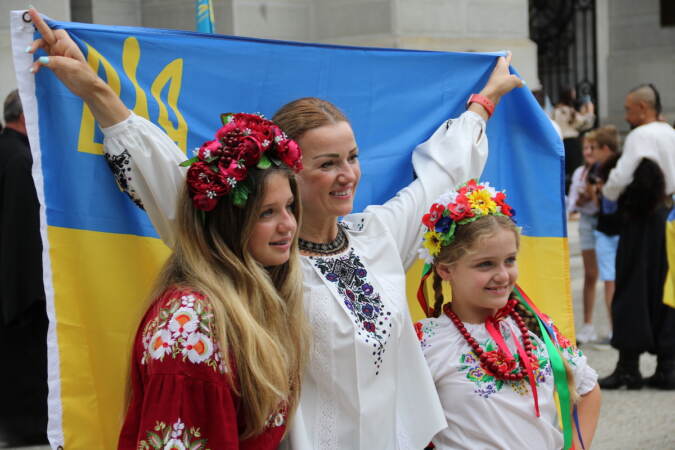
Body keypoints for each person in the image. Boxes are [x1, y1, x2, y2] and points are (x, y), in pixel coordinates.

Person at [27, 8, 523, 448]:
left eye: (352, 157)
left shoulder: (377, 235)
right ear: (288, 173)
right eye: (327, 163)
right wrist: (94, 89)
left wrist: (485, 100)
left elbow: (441, 176)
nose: (347, 174)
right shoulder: (258, 254)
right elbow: (168, 179)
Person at [116, 112, 310, 448]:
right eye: (267, 212)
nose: (288, 225)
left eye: (289, 207)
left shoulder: (253, 300)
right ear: (227, 223)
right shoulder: (191, 323)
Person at [415, 180, 601, 450]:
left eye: (510, 260)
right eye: (485, 264)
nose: (502, 275)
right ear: (445, 270)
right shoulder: (425, 342)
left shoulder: (535, 328)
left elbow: (587, 389)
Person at [599, 83, 675, 390]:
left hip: (643, 220)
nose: (627, 115)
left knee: (632, 286)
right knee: (665, 289)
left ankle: (628, 368)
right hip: (669, 219)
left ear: (643, 108)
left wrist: (606, 193)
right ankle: (668, 366)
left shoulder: (641, 135)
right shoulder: (671, 133)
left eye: (629, 109)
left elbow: (621, 177)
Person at [0, 89, 49, 446]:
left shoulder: (7, 150)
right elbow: (22, 232)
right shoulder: (20, 160)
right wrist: (36, 292)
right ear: (23, 117)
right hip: (20, 289)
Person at [587, 125, 621, 345]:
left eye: (595, 148)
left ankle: (619, 327)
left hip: (622, 230)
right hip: (604, 230)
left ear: (606, 149)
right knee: (609, 280)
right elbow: (599, 204)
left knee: (622, 281)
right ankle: (613, 327)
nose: (591, 152)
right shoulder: (596, 170)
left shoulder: (621, 167)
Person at [566, 132, 599, 344]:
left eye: (592, 148)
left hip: (606, 227)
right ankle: (588, 325)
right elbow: (572, 206)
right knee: (590, 274)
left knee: (611, 277)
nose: (588, 152)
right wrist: (581, 198)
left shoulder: (607, 170)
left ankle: (614, 327)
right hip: (587, 222)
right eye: (585, 148)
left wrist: (593, 194)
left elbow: (601, 204)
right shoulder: (579, 172)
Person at [552, 86, 595, 192]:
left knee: (562, 169)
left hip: (560, 142)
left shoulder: (554, 111)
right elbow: (584, 123)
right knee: (574, 170)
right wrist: (590, 112)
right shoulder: (570, 111)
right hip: (573, 143)